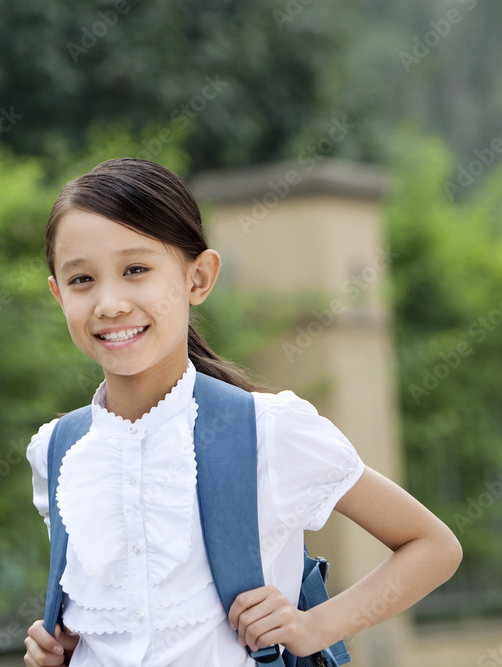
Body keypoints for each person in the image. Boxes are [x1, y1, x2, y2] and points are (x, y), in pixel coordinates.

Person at [23, 158, 462, 667]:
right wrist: (63, 645)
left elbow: (432, 545)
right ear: (58, 293)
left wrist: (313, 626)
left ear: (198, 278)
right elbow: (106, 611)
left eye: (136, 270)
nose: (110, 302)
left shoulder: (270, 431)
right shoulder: (56, 451)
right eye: (81, 280)